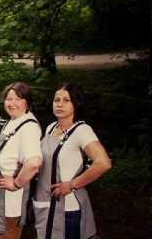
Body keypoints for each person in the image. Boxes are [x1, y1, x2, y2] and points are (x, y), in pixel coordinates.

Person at [33, 83, 111, 239]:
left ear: (76, 104)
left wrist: (72, 184)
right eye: (56, 100)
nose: (59, 104)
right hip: (46, 207)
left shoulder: (82, 130)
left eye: (66, 100)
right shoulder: (50, 128)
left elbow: (103, 163)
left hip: (67, 210)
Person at [0, 82, 43, 239]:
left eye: (18, 99)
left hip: (8, 208)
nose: (12, 103)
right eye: (9, 99)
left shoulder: (28, 127)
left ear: (27, 102)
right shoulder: (13, 122)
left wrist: (16, 183)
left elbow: (34, 163)